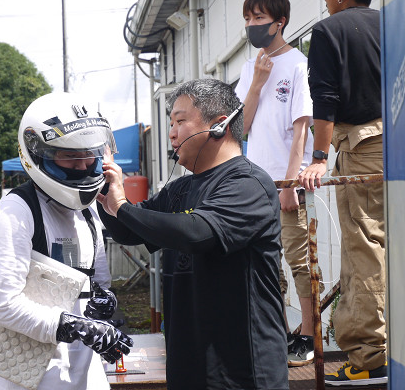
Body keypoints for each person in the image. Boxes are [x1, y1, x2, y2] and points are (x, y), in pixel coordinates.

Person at [97, 79, 289, 390]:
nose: (171, 133)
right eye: (170, 123)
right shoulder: (179, 189)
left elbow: (198, 233)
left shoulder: (248, 184)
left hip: (243, 375)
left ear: (219, 125)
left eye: (180, 121)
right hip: (189, 370)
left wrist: (122, 207)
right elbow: (129, 230)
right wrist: (104, 186)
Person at [0, 92, 133, 390]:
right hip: (32, 378)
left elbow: (98, 283)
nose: (84, 165)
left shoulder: (88, 212)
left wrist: (104, 302)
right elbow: (4, 305)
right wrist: (74, 326)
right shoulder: (14, 213)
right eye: (70, 156)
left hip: (87, 375)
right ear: (39, 154)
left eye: (89, 154)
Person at [298, 0, 386, 387]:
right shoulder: (391, 24)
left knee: (364, 248)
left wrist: (318, 158)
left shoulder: (328, 31)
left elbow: (325, 100)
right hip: (396, 142)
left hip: (363, 147)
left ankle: (371, 358)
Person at [235, 0, 318, 367]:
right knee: (266, 263)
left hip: (288, 182)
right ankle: (281, 332)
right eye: (248, 19)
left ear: (279, 22)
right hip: (256, 181)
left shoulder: (298, 65)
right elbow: (242, 126)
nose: (251, 25)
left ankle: (309, 335)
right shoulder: (250, 68)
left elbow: (301, 129)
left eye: (258, 18)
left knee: (300, 260)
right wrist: (256, 82)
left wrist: (289, 183)